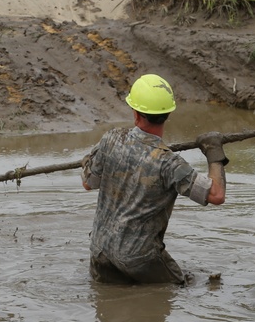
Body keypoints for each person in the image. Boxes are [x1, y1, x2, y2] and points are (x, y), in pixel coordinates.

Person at [82, 73, 228, 284]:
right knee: (180, 287)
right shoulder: (169, 164)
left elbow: (88, 183)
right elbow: (216, 195)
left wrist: (89, 160)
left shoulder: (111, 139)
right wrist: (214, 152)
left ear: (135, 113)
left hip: (100, 253)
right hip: (139, 258)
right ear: (168, 114)